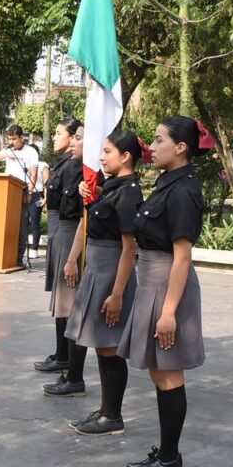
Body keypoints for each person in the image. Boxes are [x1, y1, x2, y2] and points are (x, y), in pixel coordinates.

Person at [117, 116, 208, 467]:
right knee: (160, 371)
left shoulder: (184, 190)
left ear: (181, 148)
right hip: (153, 281)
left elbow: (183, 256)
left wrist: (169, 313)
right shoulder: (168, 184)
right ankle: (167, 453)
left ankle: (169, 458)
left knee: (169, 374)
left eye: (158, 141)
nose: (151, 148)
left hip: (169, 285)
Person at [64, 131, 145, 435]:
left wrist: (117, 294)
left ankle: (113, 417)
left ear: (126, 157)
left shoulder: (128, 192)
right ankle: (106, 409)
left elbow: (128, 248)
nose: (101, 157)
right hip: (97, 267)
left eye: (108, 151)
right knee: (101, 346)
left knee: (110, 348)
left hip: (112, 271)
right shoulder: (110, 186)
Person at [41, 126, 103, 397]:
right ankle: (65, 360)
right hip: (65, 231)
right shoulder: (69, 164)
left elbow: (84, 218)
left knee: (71, 305)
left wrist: (72, 257)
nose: (68, 142)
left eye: (77, 138)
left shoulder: (89, 173)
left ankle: (72, 373)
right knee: (64, 303)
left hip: (75, 237)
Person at [0, 125, 41, 265]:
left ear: (22, 137)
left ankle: (18, 258)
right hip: (7, 191)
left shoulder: (30, 152)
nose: (12, 142)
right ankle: (5, 256)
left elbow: (33, 174)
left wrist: (30, 191)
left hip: (23, 190)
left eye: (14, 139)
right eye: (9, 139)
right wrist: (5, 154)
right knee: (8, 225)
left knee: (22, 227)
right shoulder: (8, 150)